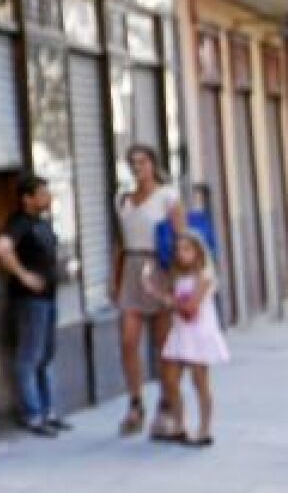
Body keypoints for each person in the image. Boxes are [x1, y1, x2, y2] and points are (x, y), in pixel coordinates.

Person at [112, 143, 187, 440]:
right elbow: (120, 243)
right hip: (132, 267)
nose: (137, 167)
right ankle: (135, 402)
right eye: (133, 163)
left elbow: (182, 238)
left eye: (142, 162)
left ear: (153, 164)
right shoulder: (122, 200)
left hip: (159, 267)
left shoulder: (168, 196)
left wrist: (180, 281)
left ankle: (167, 402)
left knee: (163, 345)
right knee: (128, 340)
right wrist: (114, 279)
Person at [0, 174, 71, 437]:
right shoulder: (19, 223)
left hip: (48, 297)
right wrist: (24, 275)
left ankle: (49, 411)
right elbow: (2, 248)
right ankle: (33, 413)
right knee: (30, 356)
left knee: (45, 355)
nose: (47, 198)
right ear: (27, 199)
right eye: (42, 194)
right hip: (30, 299)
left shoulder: (43, 223)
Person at [146, 229, 229, 447]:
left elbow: (190, 308)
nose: (181, 254)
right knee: (170, 380)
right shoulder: (177, 277)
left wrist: (163, 298)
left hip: (198, 334)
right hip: (180, 333)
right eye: (178, 250)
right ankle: (179, 425)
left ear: (198, 252)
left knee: (199, 381)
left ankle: (205, 428)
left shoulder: (204, 277)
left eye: (186, 249)